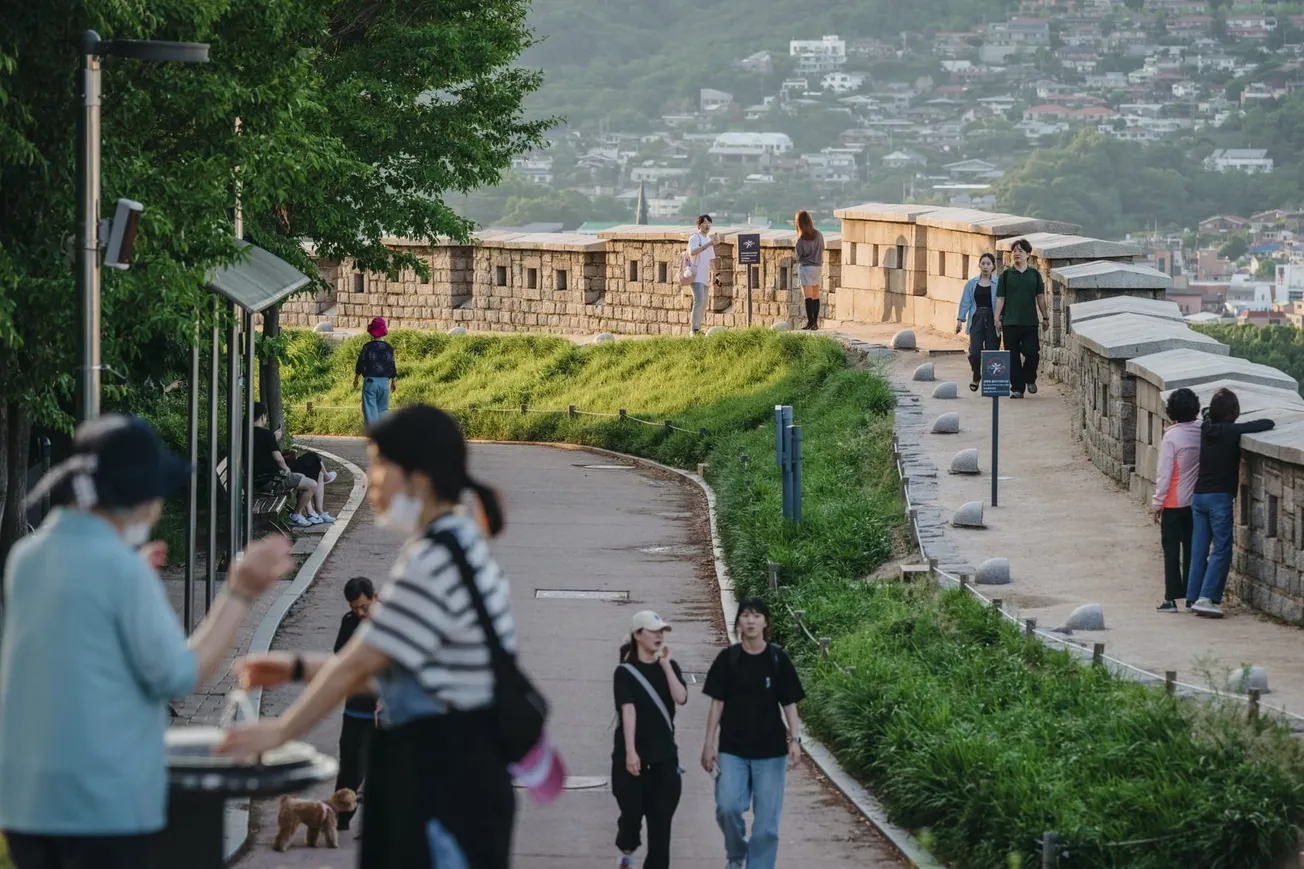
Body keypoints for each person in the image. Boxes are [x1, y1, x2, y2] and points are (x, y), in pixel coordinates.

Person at [219, 404, 525, 869]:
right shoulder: (457, 544)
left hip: (440, 784)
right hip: (454, 776)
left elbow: (361, 665)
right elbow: (390, 668)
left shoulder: (431, 562)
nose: (374, 481)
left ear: (418, 478)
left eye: (381, 465)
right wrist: (295, 667)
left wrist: (280, 730)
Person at [0, 414, 292, 869]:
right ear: (140, 499)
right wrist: (240, 590)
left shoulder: (28, 557)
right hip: (102, 806)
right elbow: (181, 675)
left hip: (27, 804)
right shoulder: (122, 571)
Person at [701, 597, 805, 869]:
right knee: (727, 807)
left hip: (771, 752)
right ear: (739, 622)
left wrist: (795, 740)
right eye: (746, 615)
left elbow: (789, 703)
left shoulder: (777, 658)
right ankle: (736, 854)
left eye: (757, 615)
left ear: (766, 622)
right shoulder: (728, 659)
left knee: (767, 826)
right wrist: (708, 744)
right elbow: (716, 704)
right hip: (732, 749)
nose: (750, 621)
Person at [1187, 388, 1275, 618]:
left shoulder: (1205, 428)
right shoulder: (1231, 431)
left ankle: (1193, 596)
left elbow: (1206, 412)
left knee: (1199, 550)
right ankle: (1206, 598)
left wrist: (1210, 412)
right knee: (1222, 548)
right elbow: (1266, 422)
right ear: (1233, 412)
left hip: (1199, 496)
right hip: (1219, 498)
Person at [612, 611, 687, 869]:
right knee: (632, 816)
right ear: (637, 635)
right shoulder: (624, 672)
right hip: (631, 760)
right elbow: (628, 711)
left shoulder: (670, 667)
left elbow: (681, 697)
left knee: (660, 831)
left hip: (665, 760)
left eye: (662, 631)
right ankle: (627, 849)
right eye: (653, 630)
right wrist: (631, 752)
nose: (659, 636)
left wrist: (666, 665)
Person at [333, 577, 378, 833]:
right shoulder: (350, 623)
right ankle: (340, 818)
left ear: (375, 597)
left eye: (364, 606)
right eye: (354, 608)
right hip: (356, 708)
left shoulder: (390, 626)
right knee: (349, 763)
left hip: (384, 712)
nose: (359, 612)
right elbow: (339, 658)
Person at [1153, 388, 1202, 613]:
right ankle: (1193, 597)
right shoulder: (1201, 431)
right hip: (1195, 503)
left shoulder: (1171, 436)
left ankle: (1171, 599)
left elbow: (1165, 473)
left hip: (1173, 503)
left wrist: (1157, 503)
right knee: (1193, 549)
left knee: (1171, 551)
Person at [251, 401, 333, 528]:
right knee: (312, 484)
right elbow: (278, 459)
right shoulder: (266, 435)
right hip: (272, 480)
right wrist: (286, 469)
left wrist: (273, 438)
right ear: (263, 417)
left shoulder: (245, 435)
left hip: (260, 479)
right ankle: (296, 514)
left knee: (309, 473)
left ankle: (312, 512)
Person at [994, 238, 1050, 399]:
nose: (1016, 253)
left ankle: (1029, 378)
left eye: (1020, 250)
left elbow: (1040, 297)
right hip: (1010, 322)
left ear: (1028, 254)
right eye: (1014, 251)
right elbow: (1000, 298)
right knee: (1012, 357)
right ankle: (1017, 388)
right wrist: (997, 318)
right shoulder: (1006, 275)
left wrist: (1045, 317)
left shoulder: (1034, 275)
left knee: (1032, 353)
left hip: (1030, 322)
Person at [955, 252, 1001, 392]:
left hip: (992, 319)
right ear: (979, 265)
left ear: (993, 266)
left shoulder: (998, 283)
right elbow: (965, 302)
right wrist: (960, 320)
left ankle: (990, 383)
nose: (985, 266)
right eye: (983, 263)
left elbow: (1002, 301)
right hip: (976, 318)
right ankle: (976, 375)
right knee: (975, 352)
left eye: (988, 264)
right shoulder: (972, 283)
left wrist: (1000, 319)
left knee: (992, 351)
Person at [354, 317, 397, 424]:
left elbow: (361, 363)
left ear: (371, 332)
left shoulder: (367, 347)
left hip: (370, 382)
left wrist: (356, 378)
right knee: (383, 410)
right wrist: (393, 382)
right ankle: (382, 436)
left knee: (370, 410)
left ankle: (373, 436)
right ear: (383, 332)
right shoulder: (388, 348)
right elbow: (392, 365)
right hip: (384, 383)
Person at [687, 215, 721, 336]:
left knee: (704, 303)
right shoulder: (695, 238)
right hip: (695, 276)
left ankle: (698, 328)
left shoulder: (708, 240)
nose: (707, 225)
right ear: (699, 225)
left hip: (705, 277)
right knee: (699, 300)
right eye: (704, 223)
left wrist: (717, 274)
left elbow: (711, 261)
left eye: (709, 223)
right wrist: (709, 244)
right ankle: (694, 330)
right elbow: (693, 252)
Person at [794, 211, 824, 331]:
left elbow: (798, 255)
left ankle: (810, 322)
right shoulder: (819, 235)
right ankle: (815, 323)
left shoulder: (800, 239)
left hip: (806, 268)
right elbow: (822, 247)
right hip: (817, 267)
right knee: (816, 295)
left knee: (808, 297)